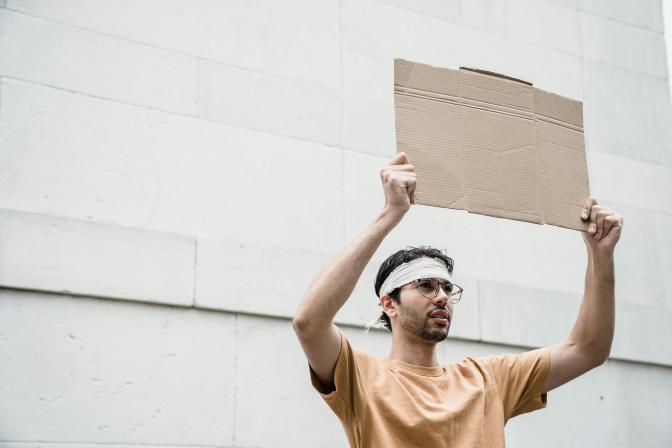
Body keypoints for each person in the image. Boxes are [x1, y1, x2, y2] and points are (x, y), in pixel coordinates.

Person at [292, 152, 623, 447]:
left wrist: (600, 254)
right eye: (425, 285)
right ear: (389, 303)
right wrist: (390, 213)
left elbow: (587, 349)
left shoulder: (487, 378)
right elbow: (308, 322)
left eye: (448, 289)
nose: (441, 297)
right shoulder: (360, 376)